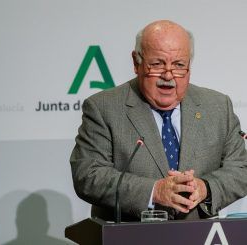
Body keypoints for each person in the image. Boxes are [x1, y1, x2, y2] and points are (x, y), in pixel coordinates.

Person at [70, 20, 247, 221]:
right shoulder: (103, 108)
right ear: (136, 63)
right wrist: (154, 191)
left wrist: (205, 188)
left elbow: (241, 169)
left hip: (200, 236)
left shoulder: (217, 106)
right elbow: (88, 175)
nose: (168, 75)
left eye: (179, 65)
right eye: (157, 64)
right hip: (131, 237)